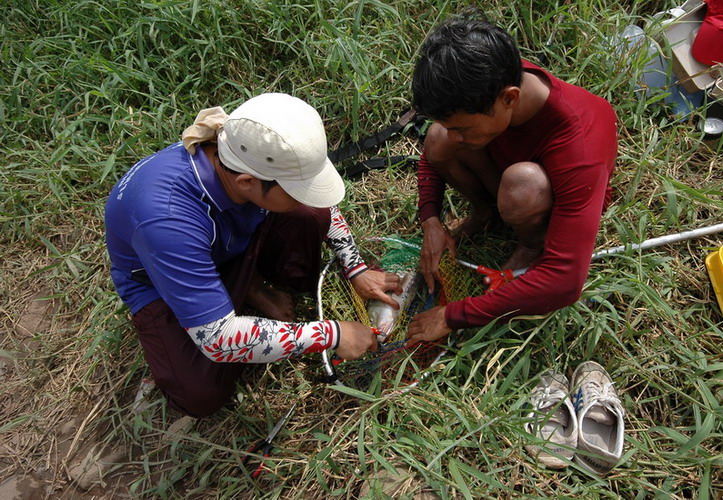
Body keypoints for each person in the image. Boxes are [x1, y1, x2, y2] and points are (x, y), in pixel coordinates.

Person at [105, 93, 402, 417]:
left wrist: (355, 267)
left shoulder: (243, 156)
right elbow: (218, 339)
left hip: (224, 243)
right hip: (161, 282)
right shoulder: (167, 220)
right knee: (199, 392)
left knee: (310, 215)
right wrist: (331, 334)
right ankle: (240, 289)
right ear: (247, 183)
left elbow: (321, 205)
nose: (305, 195)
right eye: (296, 189)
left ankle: (248, 285)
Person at [406, 17, 618, 345]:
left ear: (509, 98)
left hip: (543, 196)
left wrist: (453, 315)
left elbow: (565, 282)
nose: (455, 136)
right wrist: (431, 220)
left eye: (462, 127)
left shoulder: (578, 144)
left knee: (523, 186)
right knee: (437, 140)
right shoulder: (487, 77)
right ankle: (487, 213)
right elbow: (434, 151)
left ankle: (533, 244)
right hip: (504, 172)